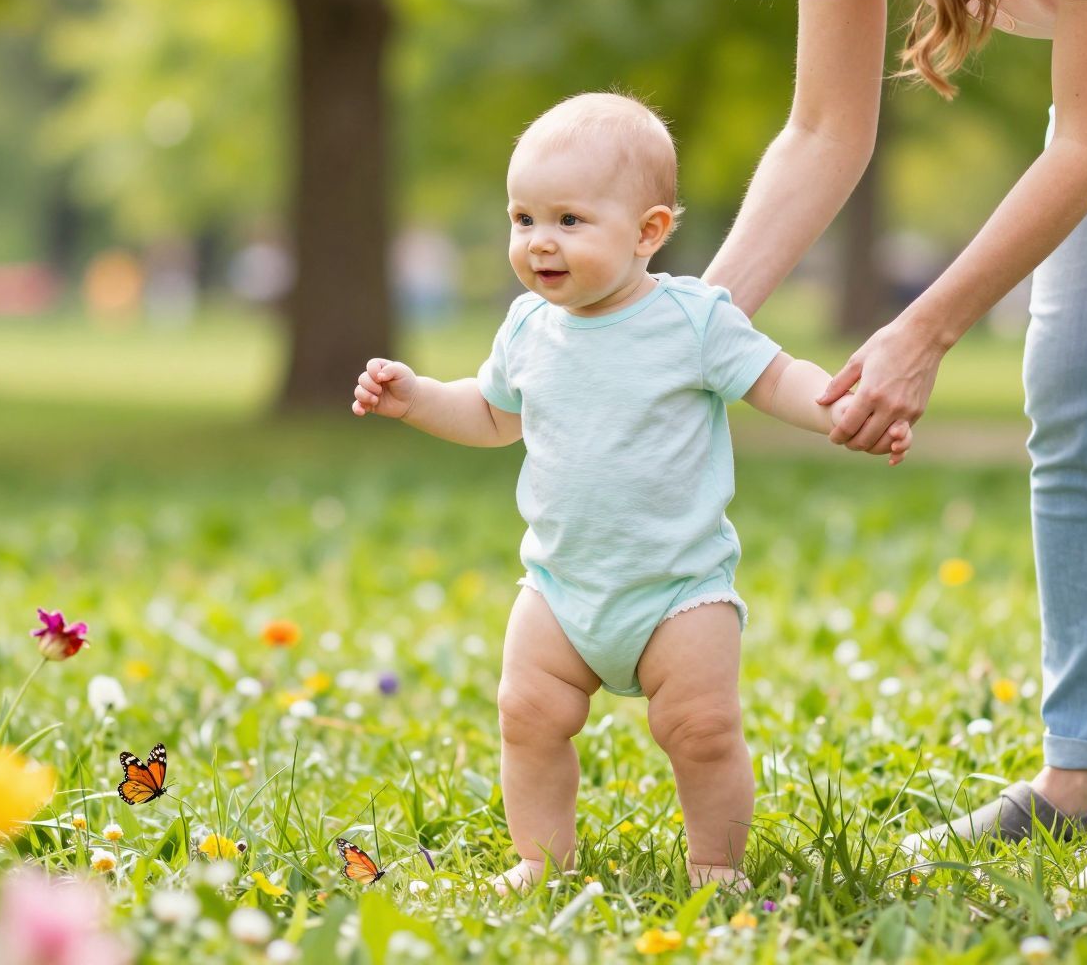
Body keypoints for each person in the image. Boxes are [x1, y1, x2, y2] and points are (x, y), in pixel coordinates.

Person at [707, 0, 1087, 887]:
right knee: (1072, 383)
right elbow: (821, 130)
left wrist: (925, 329)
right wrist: (689, 328)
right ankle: (1084, 779)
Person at [352, 92, 911, 893]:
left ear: (648, 231)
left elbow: (774, 378)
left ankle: (715, 864)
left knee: (702, 729)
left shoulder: (693, 320)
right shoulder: (527, 328)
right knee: (526, 714)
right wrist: (417, 399)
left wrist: (840, 410)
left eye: (569, 220)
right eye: (523, 219)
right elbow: (491, 415)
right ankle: (540, 860)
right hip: (560, 585)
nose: (540, 241)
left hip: (679, 590)